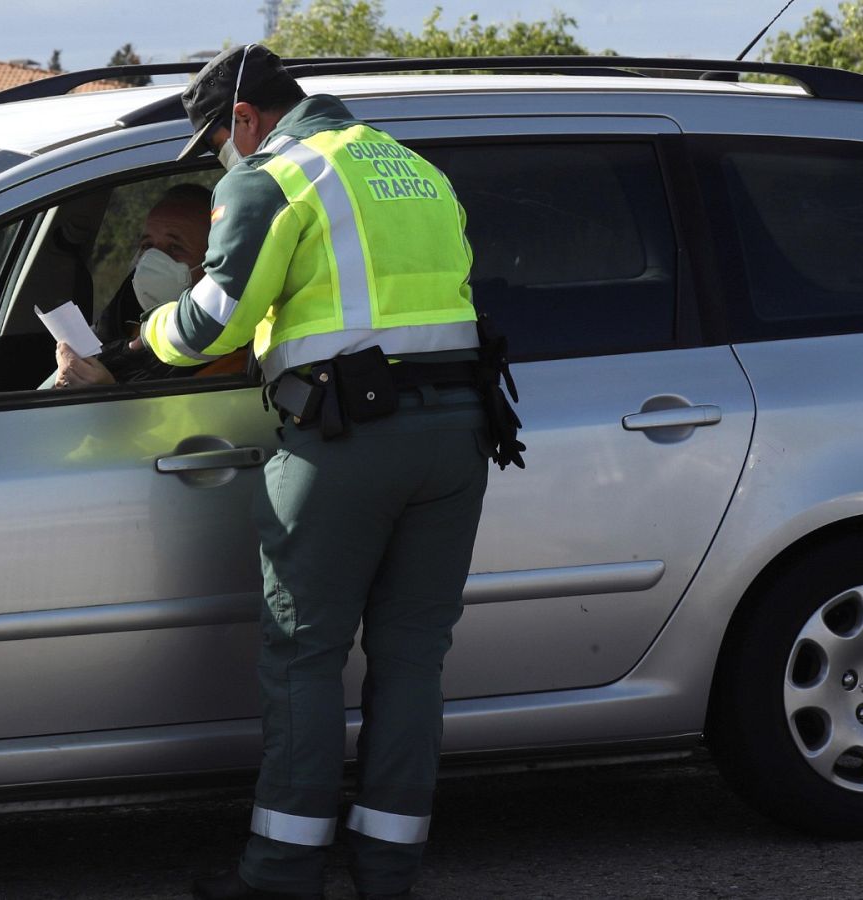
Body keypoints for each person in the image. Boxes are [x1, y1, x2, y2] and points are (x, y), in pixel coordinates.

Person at [136, 44, 520, 900]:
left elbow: (212, 326)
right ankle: (387, 872)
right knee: (413, 659)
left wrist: (142, 334)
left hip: (348, 441)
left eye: (215, 143)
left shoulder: (272, 178)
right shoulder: (414, 169)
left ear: (243, 118)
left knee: (304, 657)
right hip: (458, 436)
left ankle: (282, 873)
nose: (221, 160)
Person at [51, 184, 245, 388]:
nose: (153, 259)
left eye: (175, 247)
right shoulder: (122, 316)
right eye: (147, 246)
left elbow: (193, 409)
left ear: (214, 264)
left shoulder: (229, 356)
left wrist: (107, 394)